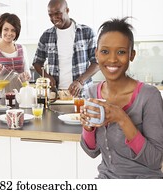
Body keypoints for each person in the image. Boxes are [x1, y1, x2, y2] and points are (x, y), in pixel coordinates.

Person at [80, 17, 163, 178]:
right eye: (105, 51)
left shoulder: (149, 96)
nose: (112, 59)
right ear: (96, 53)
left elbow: (155, 160)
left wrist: (122, 119)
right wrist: (88, 127)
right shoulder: (91, 92)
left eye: (121, 52)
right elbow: (92, 151)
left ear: (131, 55)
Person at [32, 0, 99, 97]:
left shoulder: (86, 32)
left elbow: (97, 63)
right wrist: (47, 77)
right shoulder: (46, 36)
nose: (54, 18)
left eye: (58, 13)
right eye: (50, 15)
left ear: (67, 10)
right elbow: (37, 63)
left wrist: (80, 81)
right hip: (56, 94)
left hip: (83, 94)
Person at [0, 13, 31, 95]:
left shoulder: (22, 48)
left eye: (13, 30)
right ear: (0, 29)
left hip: (22, 96)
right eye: (6, 29)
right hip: (3, 97)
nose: (9, 33)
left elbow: (27, 72)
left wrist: (26, 76)